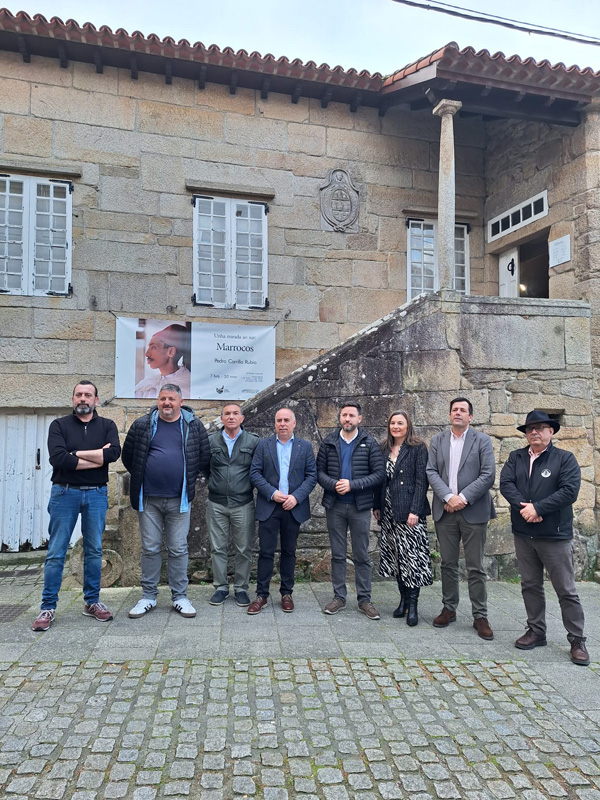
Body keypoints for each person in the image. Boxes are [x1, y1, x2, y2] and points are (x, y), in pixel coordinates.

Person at [499, 410, 589, 666]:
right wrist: (524, 508)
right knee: (530, 585)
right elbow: (506, 485)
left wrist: (538, 509)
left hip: (554, 535)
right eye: (530, 429)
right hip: (524, 533)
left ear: (551, 431)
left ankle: (577, 639)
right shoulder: (515, 457)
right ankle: (536, 631)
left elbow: (569, 491)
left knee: (566, 590)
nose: (534, 432)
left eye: (540, 428)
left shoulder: (565, 459)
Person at [32, 381, 121, 632]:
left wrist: (76, 455)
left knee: (94, 550)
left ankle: (92, 602)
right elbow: (58, 458)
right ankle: (47, 607)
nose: (83, 398)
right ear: (73, 398)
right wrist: (97, 457)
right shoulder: (59, 425)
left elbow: (113, 454)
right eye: (79, 394)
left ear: (96, 399)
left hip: (96, 494)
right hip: (64, 494)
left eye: (88, 395)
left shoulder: (107, 425)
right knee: (57, 551)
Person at [122, 384, 209, 619]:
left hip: (179, 499)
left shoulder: (193, 425)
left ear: (181, 401)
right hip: (148, 498)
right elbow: (128, 457)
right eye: (163, 399)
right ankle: (148, 596)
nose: (167, 403)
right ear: (158, 401)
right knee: (150, 548)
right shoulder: (142, 425)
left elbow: (202, 457)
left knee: (178, 548)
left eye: (171, 398)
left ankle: (179, 597)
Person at [426, 397, 496, 640]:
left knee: (475, 566)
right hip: (445, 511)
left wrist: (462, 498)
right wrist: (447, 496)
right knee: (448, 563)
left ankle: (480, 615)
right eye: (454, 410)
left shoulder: (482, 440)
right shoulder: (438, 440)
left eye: (463, 410)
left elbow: (488, 475)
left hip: (473, 511)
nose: (458, 413)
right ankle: (449, 608)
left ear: (470, 417)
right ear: (449, 415)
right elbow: (431, 471)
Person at [317, 403, 385, 619]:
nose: (347, 419)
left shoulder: (369, 443)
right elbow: (319, 472)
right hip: (335, 505)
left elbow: (378, 474)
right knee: (337, 554)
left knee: (361, 554)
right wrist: (334, 483)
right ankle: (339, 597)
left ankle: (364, 599)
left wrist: (353, 485)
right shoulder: (329, 442)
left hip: (359, 506)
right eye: (344, 415)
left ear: (359, 419)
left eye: (351, 415)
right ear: (340, 418)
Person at [248, 408, 317, 614]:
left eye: (287, 420)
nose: (283, 423)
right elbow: (255, 473)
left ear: (294, 423)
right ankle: (261, 595)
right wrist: (271, 493)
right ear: (275, 423)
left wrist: (296, 497)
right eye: (279, 420)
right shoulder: (263, 445)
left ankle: (287, 593)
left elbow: (311, 476)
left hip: (292, 507)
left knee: (289, 552)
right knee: (266, 553)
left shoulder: (304, 447)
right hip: (270, 506)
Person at [373, 410, 432, 626]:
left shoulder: (417, 448)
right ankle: (403, 601)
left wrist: (415, 511)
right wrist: (376, 506)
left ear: (408, 426)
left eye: (400, 423)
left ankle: (413, 606)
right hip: (388, 511)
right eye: (393, 423)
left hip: (409, 512)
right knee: (397, 558)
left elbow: (421, 482)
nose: (396, 426)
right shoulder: (383, 448)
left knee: (412, 559)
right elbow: (379, 480)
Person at [206, 403, 259, 608]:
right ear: (222, 418)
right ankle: (220, 587)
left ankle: (241, 588)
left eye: (235, 413)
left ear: (242, 418)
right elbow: (205, 468)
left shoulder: (253, 441)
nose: (231, 417)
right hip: (216, 503)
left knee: (244, 548)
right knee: (217, 547)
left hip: (243, 503)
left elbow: (258, 469)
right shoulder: (211, 441)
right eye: (227, 414)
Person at [135, 323, 192, 399]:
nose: (147, 354)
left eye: (153, 348)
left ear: (171, 352)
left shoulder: (189, 385)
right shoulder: (147, 383)